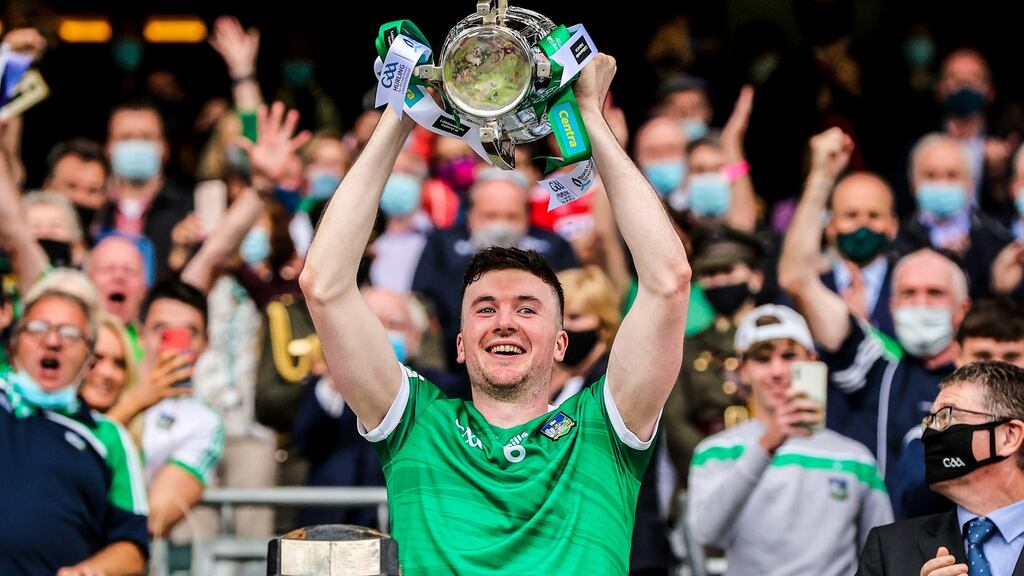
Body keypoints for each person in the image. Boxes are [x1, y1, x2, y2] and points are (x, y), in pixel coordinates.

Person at [300, 54, 692, 573]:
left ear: (560, 342)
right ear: (460, 344)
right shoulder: (416, 423)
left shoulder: (604, 428)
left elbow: (668, 282)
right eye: (485, 308)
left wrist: (588, 117)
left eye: (527, 308)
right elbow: (323, 285)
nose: (504, 320)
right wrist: (402, 111)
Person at [688, 305, 892, 576]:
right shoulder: (715, 451)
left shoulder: (855, 457)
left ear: (812, 360)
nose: (777, 370)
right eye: (762, 359)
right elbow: (705, 534)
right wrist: (766, 445)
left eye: (789, 356)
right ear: (743, 370)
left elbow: (882, 554)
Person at [0, 281, 148, 575]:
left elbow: (132, 545)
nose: (53, 341)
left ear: (88, 356)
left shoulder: (107, 437)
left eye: (70, 334)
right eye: (38, 328)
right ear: (14, 343)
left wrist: (90, 571)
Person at [857, 362, 1024, 575]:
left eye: (947, 416)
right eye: (930, 419)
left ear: (1009, 436)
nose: (928, 433)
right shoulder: (888, 548)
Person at [890, 298, 1024, 519]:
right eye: (982, 357)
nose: (995, 368)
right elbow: (913, 504)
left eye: (1011, 357)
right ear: (957, 355)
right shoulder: (924, 435)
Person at [781, 128, 900, 339]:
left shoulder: (910, 285)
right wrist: (821, 175)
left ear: (893, 226)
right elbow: (793, 278)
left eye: (874, 215)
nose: (863, 226)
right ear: (830, 226)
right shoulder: (816, 284)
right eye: (851, 215)